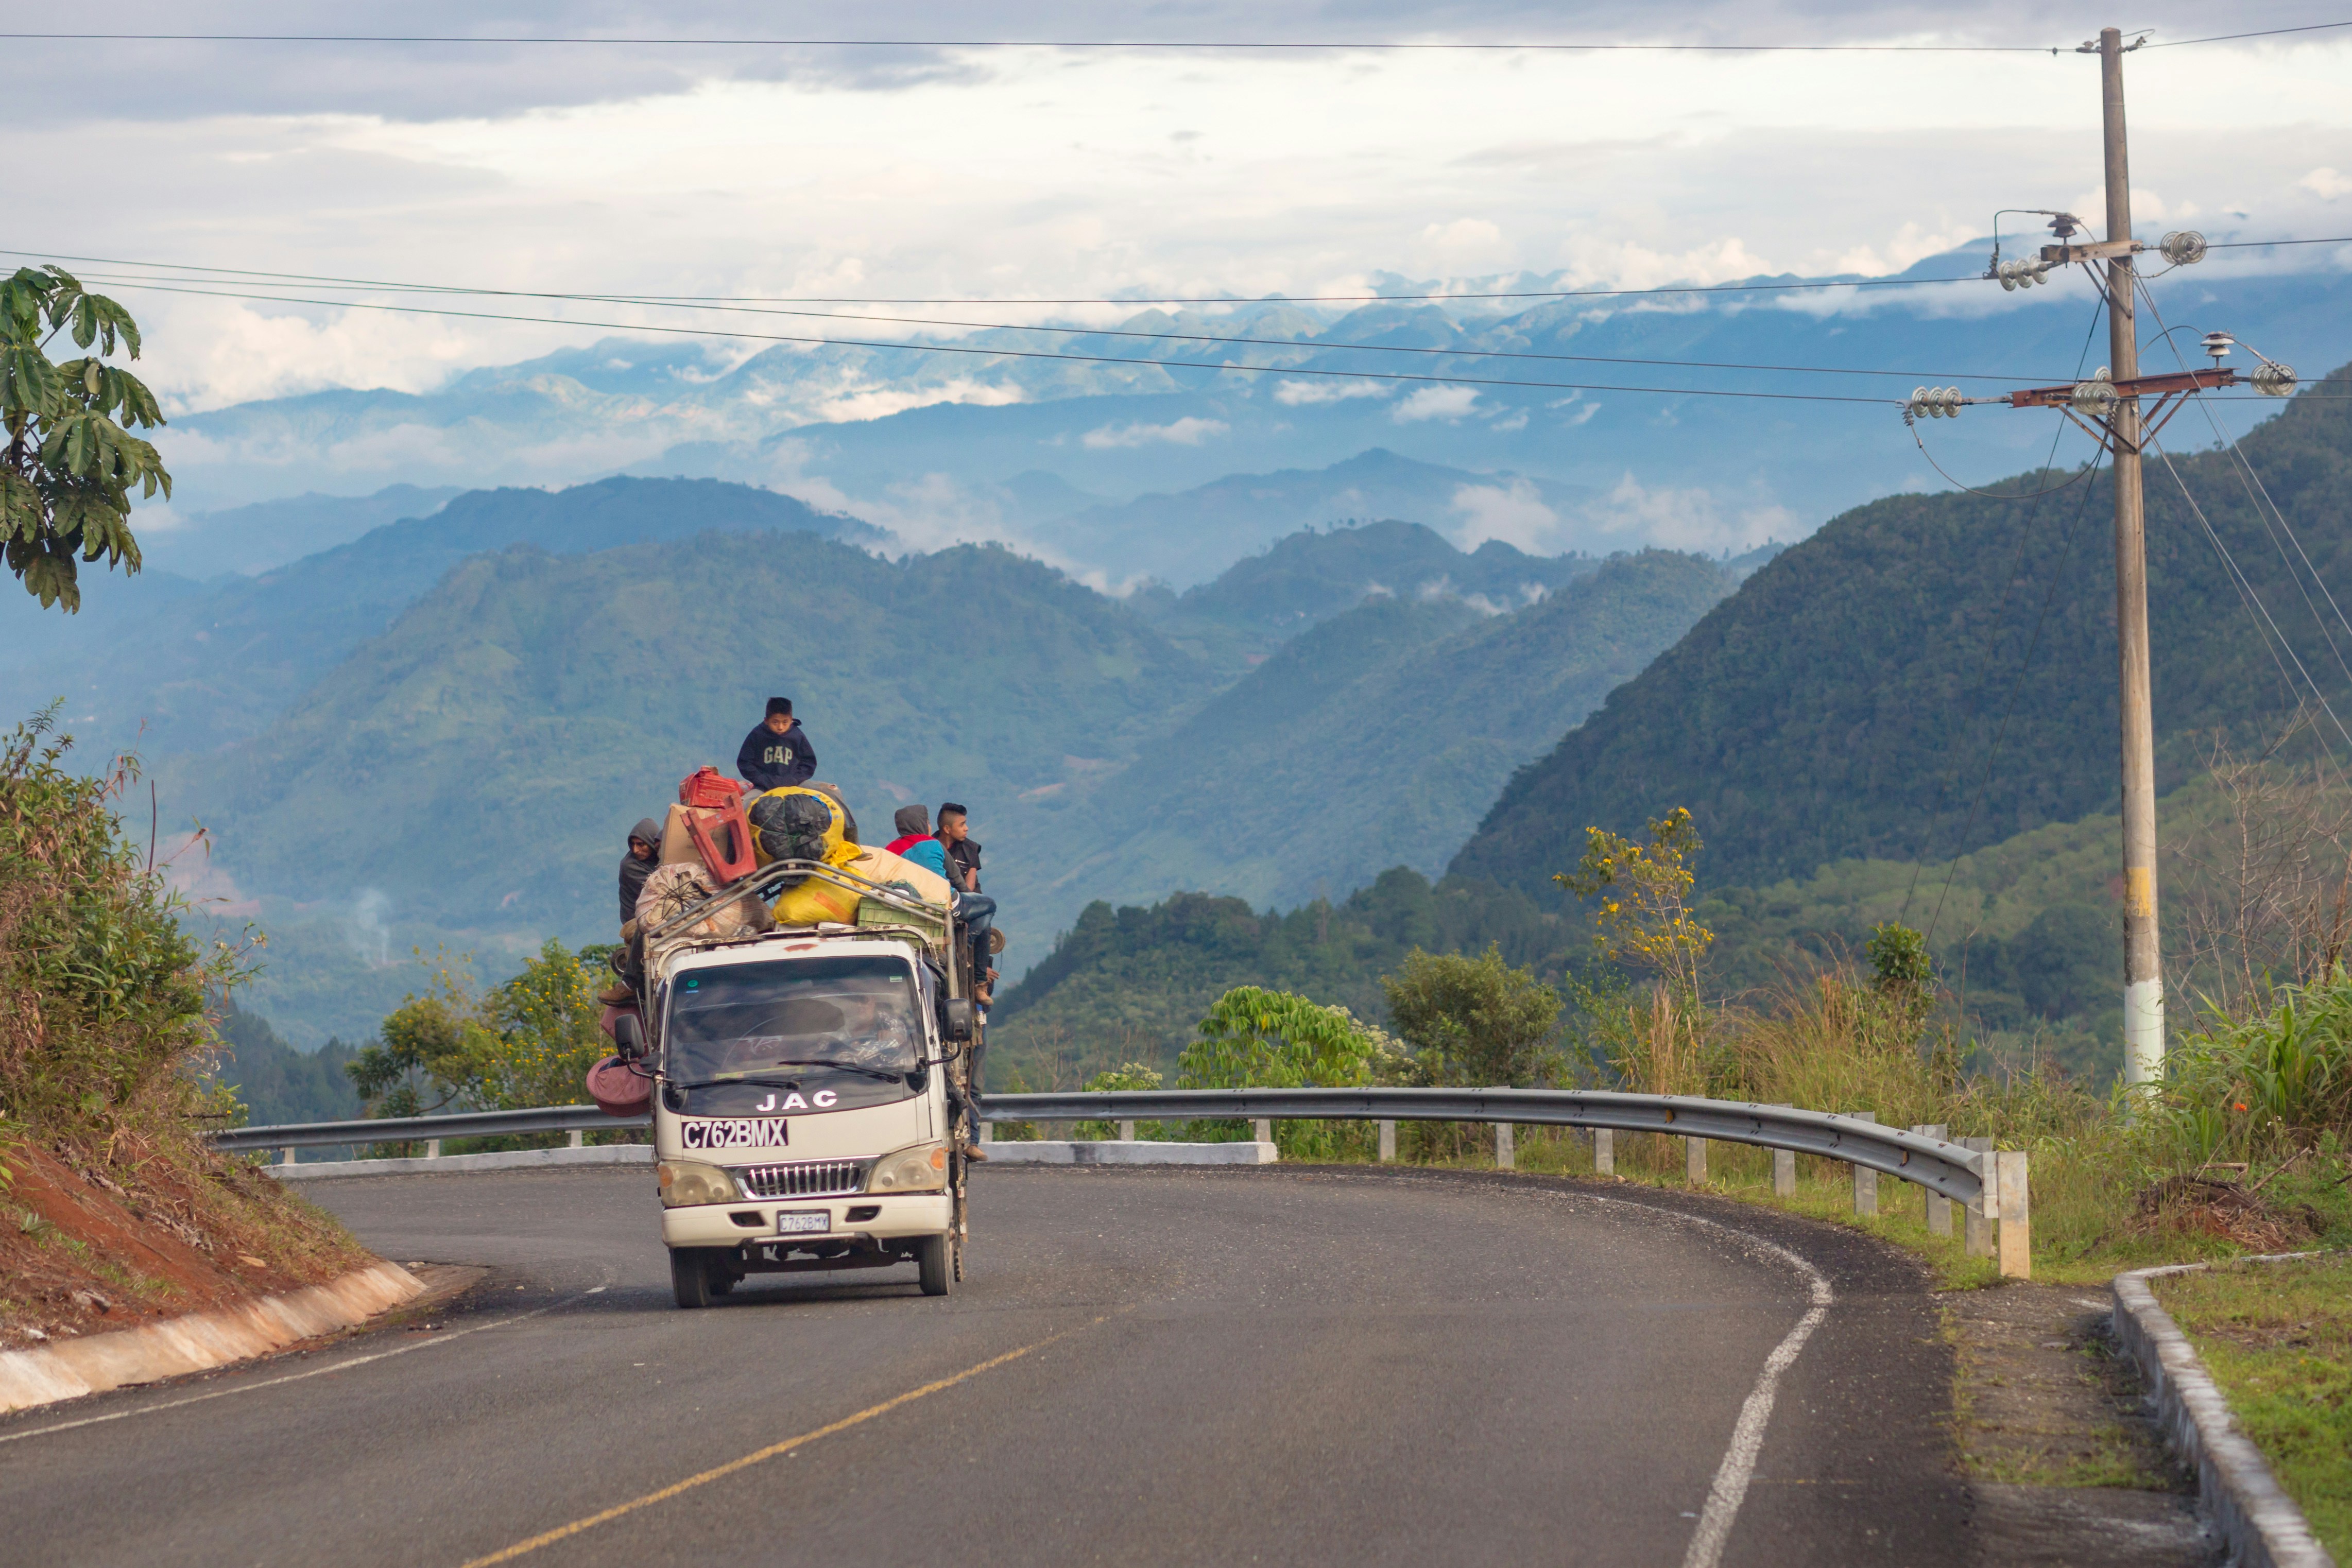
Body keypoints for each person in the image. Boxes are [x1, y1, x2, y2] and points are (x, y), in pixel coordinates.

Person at [736, 698, 816, 792]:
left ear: (791, 720)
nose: (780, 727)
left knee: (831, 790)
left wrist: (794, 779)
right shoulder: (757, 735)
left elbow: (809, 762)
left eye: (785, 722)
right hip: (763, 787)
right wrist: (761, 779)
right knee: (744, 803)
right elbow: (745, 762)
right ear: (766, 721)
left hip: (795, 785)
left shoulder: (797, 736)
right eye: (775, 722)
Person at [617, 817, 662, 927]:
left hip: (660, 914)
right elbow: (660, 890)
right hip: (636, 922)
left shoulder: (660, 858)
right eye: (633, 844)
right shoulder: (630, 866)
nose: (635, 850)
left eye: (641, 844)